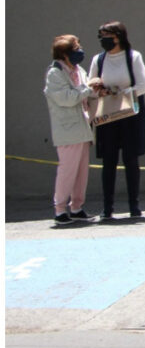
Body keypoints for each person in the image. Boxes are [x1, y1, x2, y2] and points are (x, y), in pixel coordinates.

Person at [88, 21, 145, 220]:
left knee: (131, 160)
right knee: (109, 161)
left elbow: (142, 85)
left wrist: (123, 92)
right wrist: (99, 89)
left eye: (108, 36)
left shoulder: (134, 57)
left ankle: (134, 205)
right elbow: (91, 85)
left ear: (119, 36)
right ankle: (108, 207)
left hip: (130, 114)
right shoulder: (98, 60)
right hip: (108, 115)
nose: (104, 41)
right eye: (102, 37)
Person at [43, 35, 97, 226]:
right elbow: (66, 98)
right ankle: (60, 210)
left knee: (81, 171)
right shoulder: (55, 73)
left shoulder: (79, 70)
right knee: (67, 170)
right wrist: (88, 89)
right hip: (67, 131)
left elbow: (86, 89)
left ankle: (77, 207)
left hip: (83, 128)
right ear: (65, 53)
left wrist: (95, 89)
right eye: (75, 47)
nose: (79, 50)